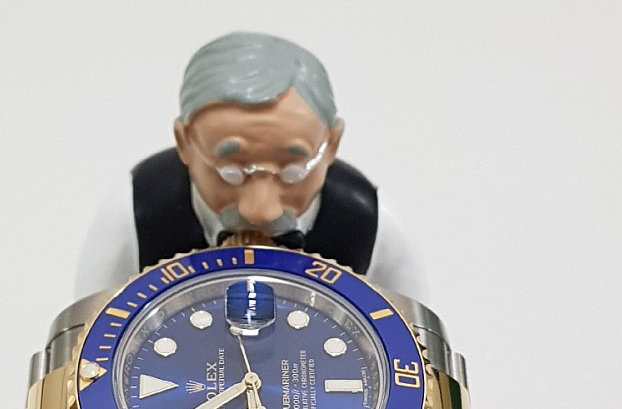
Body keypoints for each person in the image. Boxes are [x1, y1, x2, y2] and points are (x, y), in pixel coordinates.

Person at [76, 32, 426, 301]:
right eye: (230, 173)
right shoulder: (136, 212)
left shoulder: (370, 223)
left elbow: (419, 343)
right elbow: (83, 334)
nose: (260, 210)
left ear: (332, 144)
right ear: (184, 142)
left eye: (292, 172)